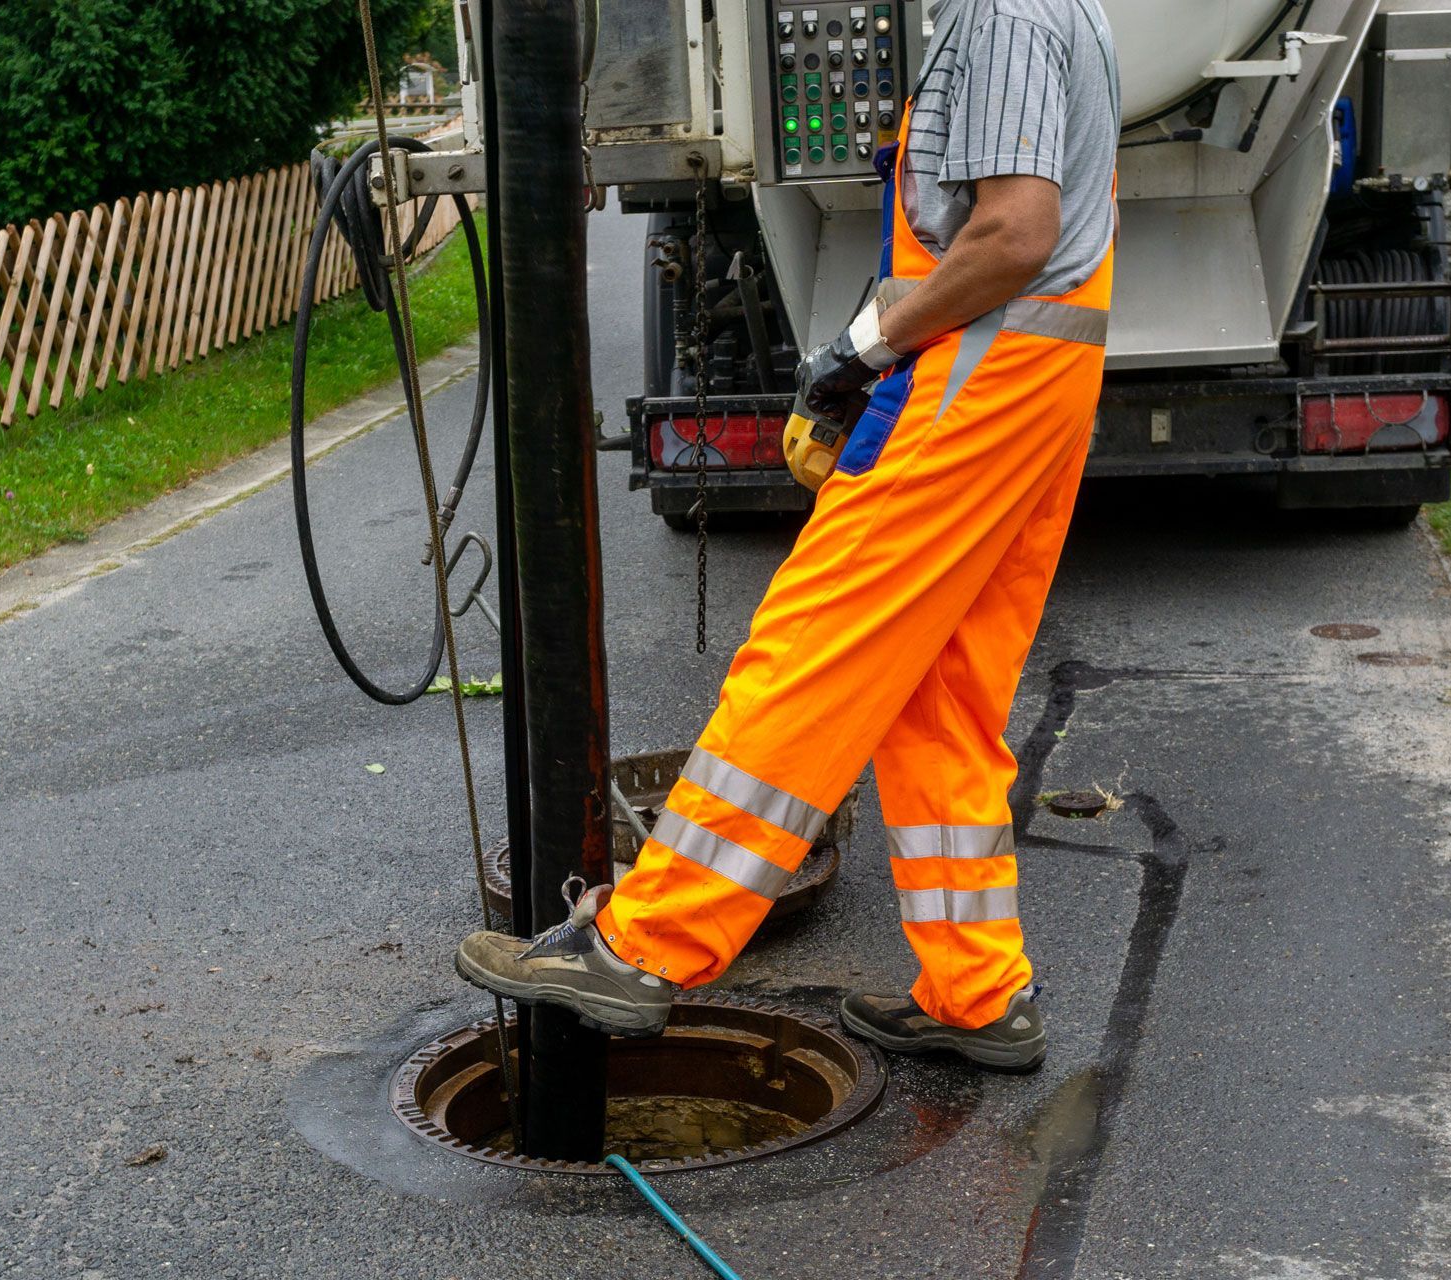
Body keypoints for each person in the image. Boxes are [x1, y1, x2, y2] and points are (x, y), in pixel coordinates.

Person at [456, 0, 1120, 1074]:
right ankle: (977, 988)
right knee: (941, 692)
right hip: (1034, 383)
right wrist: (870, 346)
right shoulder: (1056, 10)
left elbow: (1012, 232)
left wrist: (865, 350)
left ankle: (641, 945)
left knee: (817, 646)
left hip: (974, 382)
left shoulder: (1002, 12)